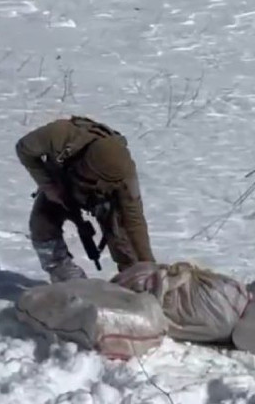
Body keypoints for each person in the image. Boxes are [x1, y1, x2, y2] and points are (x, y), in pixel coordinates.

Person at [16, 116, 154, 282]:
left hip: (103, 200)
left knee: (123, 238)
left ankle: (134, 282)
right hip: (60, 184)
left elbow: (134, 220)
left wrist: (149, 266)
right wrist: (49, 186)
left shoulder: (124, 178)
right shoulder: (59, 135)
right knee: (42, 225)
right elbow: (24, 148)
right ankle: (66, 277)